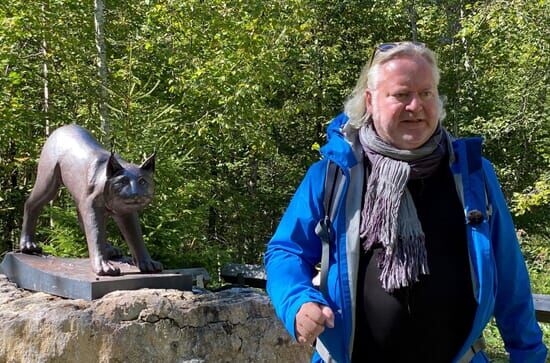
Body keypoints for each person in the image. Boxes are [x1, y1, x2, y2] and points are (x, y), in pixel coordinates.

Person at [264, 41, 548, 363]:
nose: (416, 105)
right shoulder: (335, 173)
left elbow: (510, 275)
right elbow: (285, 252)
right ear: (370, 101)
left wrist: (529, 355)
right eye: (401, 95)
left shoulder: (472, 175)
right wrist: (297, 301)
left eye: (426, 93)